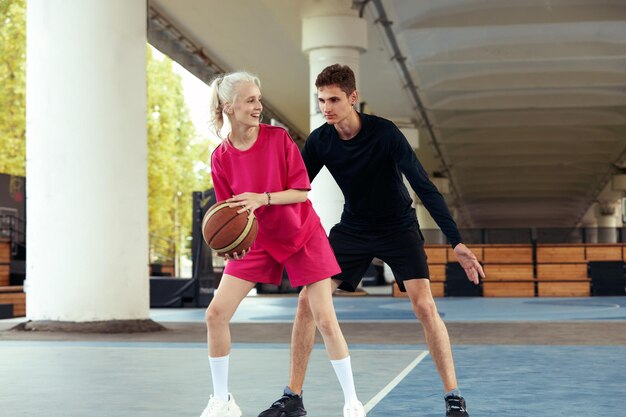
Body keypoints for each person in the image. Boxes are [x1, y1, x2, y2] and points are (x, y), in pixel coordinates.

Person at [258, 64, 485, 417]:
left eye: (334, 99)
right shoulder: (321, 140)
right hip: (353, 229)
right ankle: (293, 397)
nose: (327, 107)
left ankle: (454, 398)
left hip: (398, 228)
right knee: (306, 301)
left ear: (353, 98)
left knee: (424, 306)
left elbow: (423, 186)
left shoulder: (385, 134)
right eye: (321, 100)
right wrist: (259, 212)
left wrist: (455, 241)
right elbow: (296, 189)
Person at [198, 71, 366, 417]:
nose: (258, 106)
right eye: (250, 100)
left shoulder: (278, 139)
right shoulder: (221, 158)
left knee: (324, 318)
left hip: (301, 234)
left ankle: (351, 402)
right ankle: (222, 401)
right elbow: (231, 215)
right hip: (260, 242)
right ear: (229, 107)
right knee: (215, 314)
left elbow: (302, 191)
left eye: (259, 99)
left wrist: (264, 198)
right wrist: (235, 245)